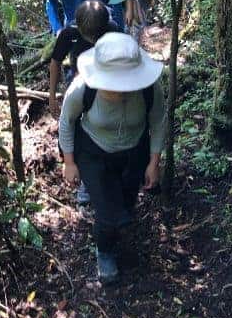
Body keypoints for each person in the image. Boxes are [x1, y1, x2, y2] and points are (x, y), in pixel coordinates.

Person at [58, 32, 165, 284]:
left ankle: (118, 224)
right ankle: (104, 251)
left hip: (135, 150)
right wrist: (70, 163)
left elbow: (158, 120)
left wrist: (153, 162)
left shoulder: (149, 89)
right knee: (107, 214)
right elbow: (66, 122)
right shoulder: (81, 89)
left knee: (127, 203)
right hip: (93, 151)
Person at [49, 0, 121, 205]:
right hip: (78, 84)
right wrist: (52, 95)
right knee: (76, 128)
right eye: (88, 36)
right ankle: (84, 180)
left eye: (95, 37)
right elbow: (55, 63)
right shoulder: (68, 33)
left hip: (106, 84)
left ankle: (111, 174)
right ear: (79, 27)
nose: (92, 40)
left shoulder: (112, 30)